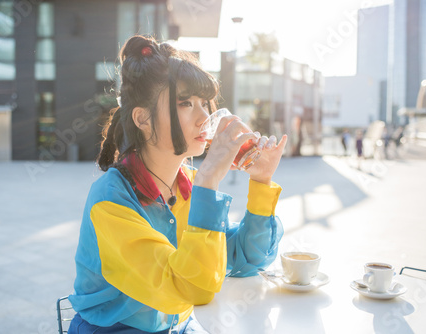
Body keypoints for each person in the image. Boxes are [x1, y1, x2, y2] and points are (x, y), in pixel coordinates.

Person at [67, 35, 287, 334]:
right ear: (142, 119)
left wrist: (261, 181)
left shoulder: (189, 183)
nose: (204, 117)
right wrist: (209, 179)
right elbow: (190, 289)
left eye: (204, 103)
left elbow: (245, 258)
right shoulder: (111, 200)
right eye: (185, 103)